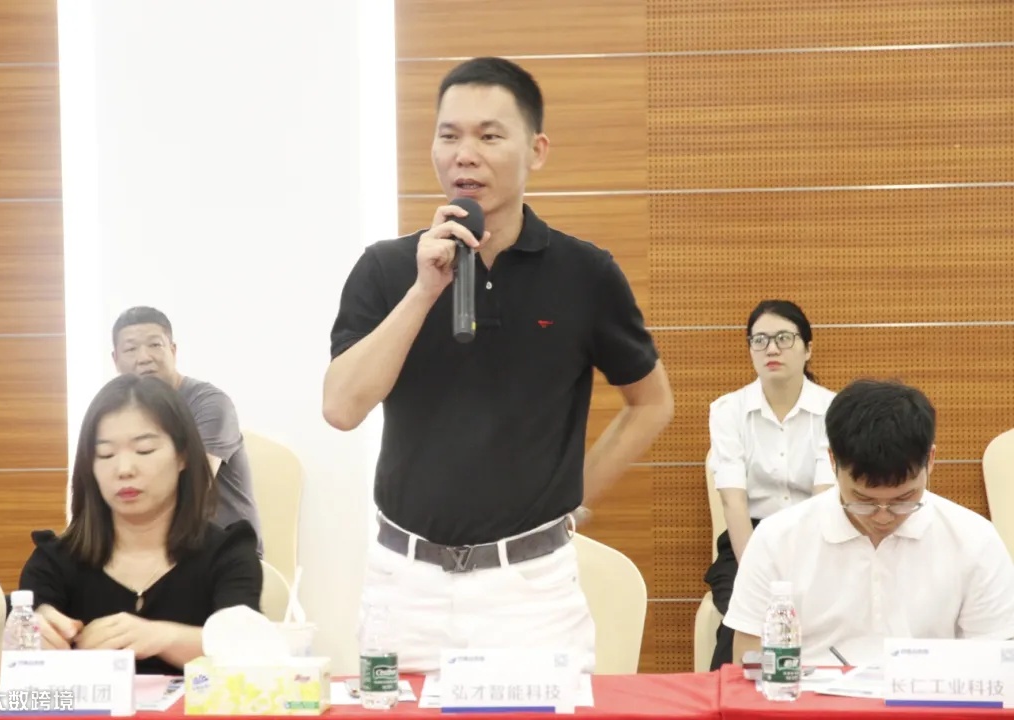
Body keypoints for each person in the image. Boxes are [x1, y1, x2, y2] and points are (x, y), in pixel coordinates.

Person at [324, 56, 674, 673]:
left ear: (536, 150)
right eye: (449, 135)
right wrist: (424, 291)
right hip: (404, 587)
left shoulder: (585, 273)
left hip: (531, 594)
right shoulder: (386, 268)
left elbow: (651, 403)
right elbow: (341, 408)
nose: (465, 155)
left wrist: (572, 499)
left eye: (489, 136)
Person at [724, 379, 1014, 666]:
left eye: (904, 498)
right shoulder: (777, 539)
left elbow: (997, 662)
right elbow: (748, 661)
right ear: (832, 461)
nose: (883, 516)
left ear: (931, 460)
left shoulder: (974, 540)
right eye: (863, 500)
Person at [19, 374, 263, 675]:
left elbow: (253, 654)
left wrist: (162, 637)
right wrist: (30, 639)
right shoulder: (53, 561)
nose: (124, 469)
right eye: (105, 454)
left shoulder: (228, 554)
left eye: (144, 450)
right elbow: (4, 670)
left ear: (183, 456)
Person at [704, 300, 836, 670]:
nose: (771, 349)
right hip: (748, 540)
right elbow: (733, 502)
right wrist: (755, 572)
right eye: (760, 340)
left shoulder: (834, 410)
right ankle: (733, 695)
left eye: (783, 338)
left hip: (817, 538)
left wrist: (799, 567)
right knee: (744, 617)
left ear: (808, 349)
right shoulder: (727, 410)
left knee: (817, 613)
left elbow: (823, 499)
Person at [111, 306, 264, 557]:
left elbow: (194, 486)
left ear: (173, 350)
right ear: (116, 360)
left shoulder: (210, 403)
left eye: (155, 345)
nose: (144, 357)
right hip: (161, 553)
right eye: (131, 349)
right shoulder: (118, 414)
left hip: (225, 553)